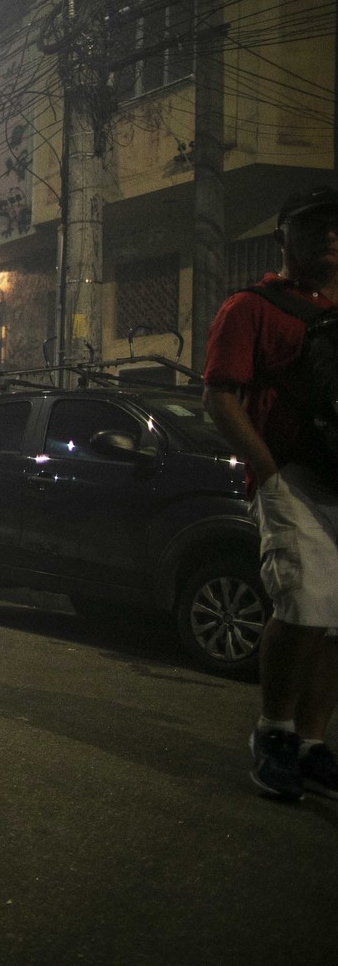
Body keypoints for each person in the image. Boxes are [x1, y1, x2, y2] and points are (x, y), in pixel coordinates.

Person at [203, 184, 338, 803]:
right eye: (316, 226)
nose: (332, 237)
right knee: (303, 604)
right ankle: (275, 733)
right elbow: (220, 396)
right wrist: (270, 473)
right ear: (285, 236)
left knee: (333, 621)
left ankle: (313, 744)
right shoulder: (250, 307)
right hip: (291, 477)